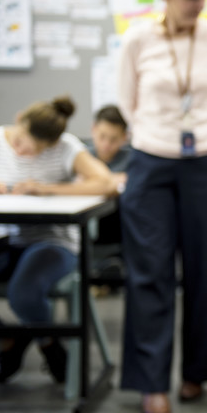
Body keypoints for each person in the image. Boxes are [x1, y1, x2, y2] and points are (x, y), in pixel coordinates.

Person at [117, 0, 207, 413]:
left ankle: (198, 371)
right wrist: (161, 137)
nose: (197, 4)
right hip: (151, 161)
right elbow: (128, 102)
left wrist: (204, 136)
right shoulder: (137, 40)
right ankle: (151, 382)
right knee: (149, 271)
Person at [0, 95, 115, 385]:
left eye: (34, 150)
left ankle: (48, 343)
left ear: (50, 146)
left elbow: (107, 183)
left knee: (23, 294)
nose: (22, 153)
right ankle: (8, 339)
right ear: (18, 119)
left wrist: (47, 189)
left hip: (52, 241)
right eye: (21, 143)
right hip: (4, 238)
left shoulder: (67, 148)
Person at [87, 105, 130, 295]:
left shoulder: (133, 158)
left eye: (113, 139)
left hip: (117, 230)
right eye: (102, 136)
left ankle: (109, 268)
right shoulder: (82, 156)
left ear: (124, 137)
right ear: (93, 130)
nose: (106, 144)